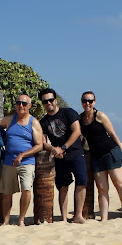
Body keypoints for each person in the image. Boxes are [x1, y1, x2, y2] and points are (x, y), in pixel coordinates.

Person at [79, 91, 122, 221]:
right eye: (85, 101)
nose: (88, 104)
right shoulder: (80, 119)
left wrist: (121, 150)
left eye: (90, 101)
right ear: (81, 102)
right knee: (102, 188)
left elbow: (113, 134)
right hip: (96, 156)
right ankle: (104, 218)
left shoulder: (100, 116)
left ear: (94, 102)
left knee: (119, 183)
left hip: (110, 152)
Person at [38, 88, 87, 224]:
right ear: (42, 103)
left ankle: (78, 215)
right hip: (59, 158)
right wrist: (53, 149)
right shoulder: (44, 122)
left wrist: (63, 147)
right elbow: (42, 142)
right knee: (63, 186)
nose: (48, 103)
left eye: (51, 100)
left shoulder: (68, 112)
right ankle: (64, 217)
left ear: (55, 100)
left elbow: (77, 131)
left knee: (81, 181)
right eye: (45, 101)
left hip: (75, 153)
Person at [0, 94, 44, 226]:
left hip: (27, 162)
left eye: (24, 103)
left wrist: (22, 155)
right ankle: (6, 221)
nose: (21, 106)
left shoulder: (33, 122)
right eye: (18, 103)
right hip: (8, 162)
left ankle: (21, 219)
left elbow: (39, 145)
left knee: (26, 190)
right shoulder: (9, 120)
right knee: (7, 192)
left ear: (29, 106)